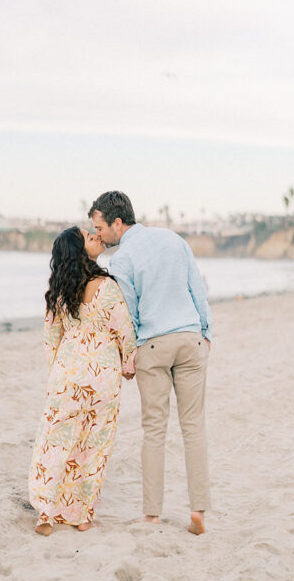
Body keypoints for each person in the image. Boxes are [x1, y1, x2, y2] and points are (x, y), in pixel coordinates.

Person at [89, 190, 212, 535]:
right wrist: (207, 332)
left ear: (117, 221)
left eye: (99, 227)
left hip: (153, 346)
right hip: (189, 338)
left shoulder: (121, 260)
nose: (98, 235)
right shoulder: (172, 239)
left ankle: (152, 515)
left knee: (154, 432)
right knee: (194, 428)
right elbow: (196, 289)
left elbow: (128, 312)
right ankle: (198, 510)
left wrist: (128, 355)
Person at [28, 226, 136, 536]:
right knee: (94, 445)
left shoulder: (58, 292)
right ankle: (82, 515)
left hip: (67, 373)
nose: (95, 235)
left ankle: (46, 513)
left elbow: (51, 338)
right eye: (88, 235)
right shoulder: (107, 287)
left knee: (54, 442)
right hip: (102, 376)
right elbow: (125, 332)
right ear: (80, 249)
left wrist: (57, 375)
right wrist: (129, 363)